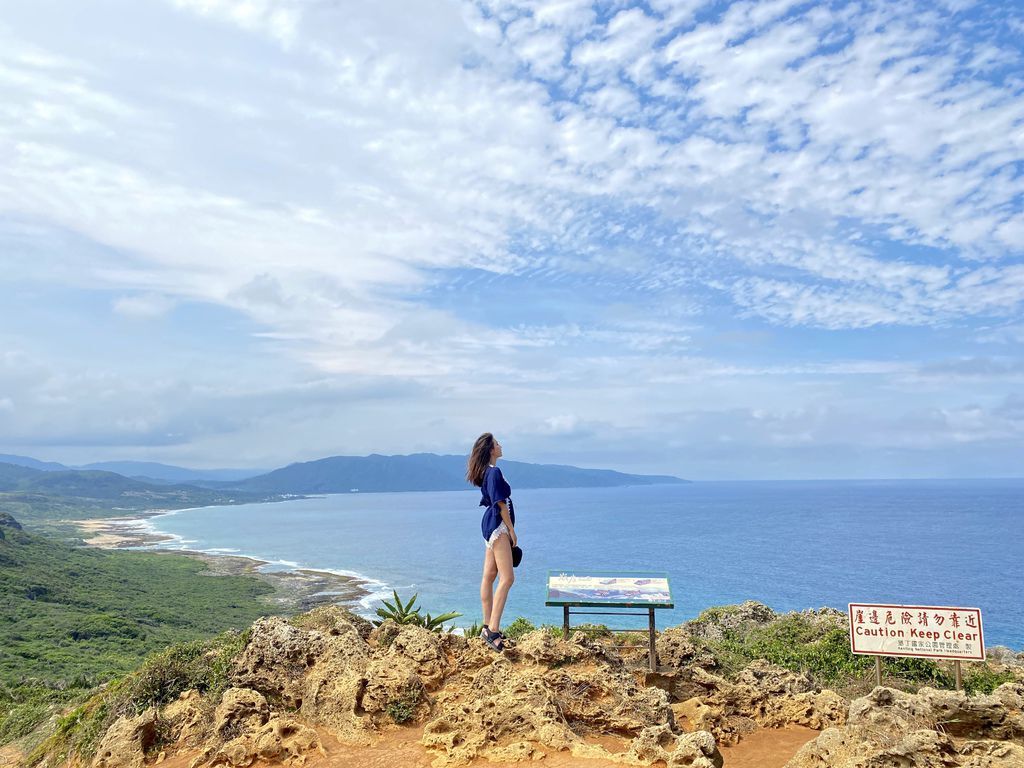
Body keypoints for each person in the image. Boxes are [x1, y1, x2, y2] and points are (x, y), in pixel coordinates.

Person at [466, 432, 517, 652]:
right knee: (507, 578)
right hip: (498, 526)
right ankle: (493, 630)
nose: (500, 445)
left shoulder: (486, 472)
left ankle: (486, 625)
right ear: (490, 449)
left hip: (489, 526)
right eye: (497, 443)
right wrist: (512, 531)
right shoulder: (494, 472)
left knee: (489, 577)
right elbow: (500, 503)